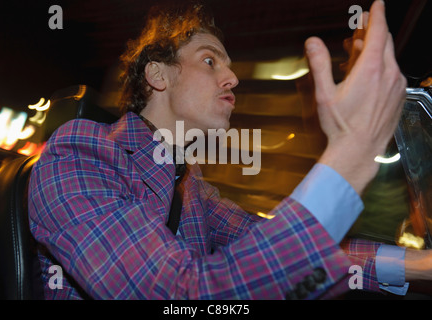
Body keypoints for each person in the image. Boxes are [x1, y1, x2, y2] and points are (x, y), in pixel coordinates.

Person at [28, 0, 432, 299]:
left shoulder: (190, 185)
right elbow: (179, 296)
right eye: (210, 61)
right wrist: (350, 156)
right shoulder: (79, 153)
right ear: (157, 74)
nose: (233, 78)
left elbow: (278, 244)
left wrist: (417, 265)